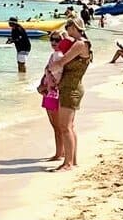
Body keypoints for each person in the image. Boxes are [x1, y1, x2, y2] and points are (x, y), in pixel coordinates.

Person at [44, 19, 92, 169]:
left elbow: (62, 62)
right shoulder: (80, 43)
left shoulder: (80, 44)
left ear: (74, 27)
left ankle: (68, 163)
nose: (66, 30)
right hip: (70, 87)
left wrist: (50, 69)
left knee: (65, 127)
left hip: (71, 89)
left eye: (68, 27)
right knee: (69, 126)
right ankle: (72, 161)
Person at [36, 32, 65, 162]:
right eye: (52, 40)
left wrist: (43, 87)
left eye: (57, 40)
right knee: (57, 126)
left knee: (57, 126)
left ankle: (59, 153)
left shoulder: (57, 55)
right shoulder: (58, 55)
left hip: (52, 93)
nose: (53, 42)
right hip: (50, 92)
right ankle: (61, 151)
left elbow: (55, 76)